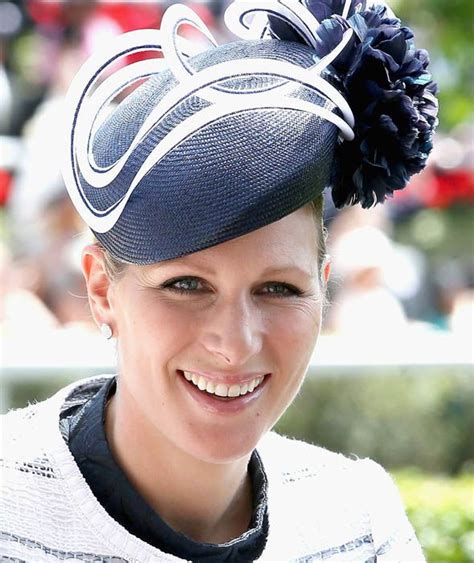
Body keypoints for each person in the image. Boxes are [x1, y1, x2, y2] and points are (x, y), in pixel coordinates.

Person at [1, 1, 438, 560]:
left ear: (323, 287)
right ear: (103, 290)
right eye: (186, 285)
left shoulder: (358, 523)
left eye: (279, 289)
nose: (234, 344)